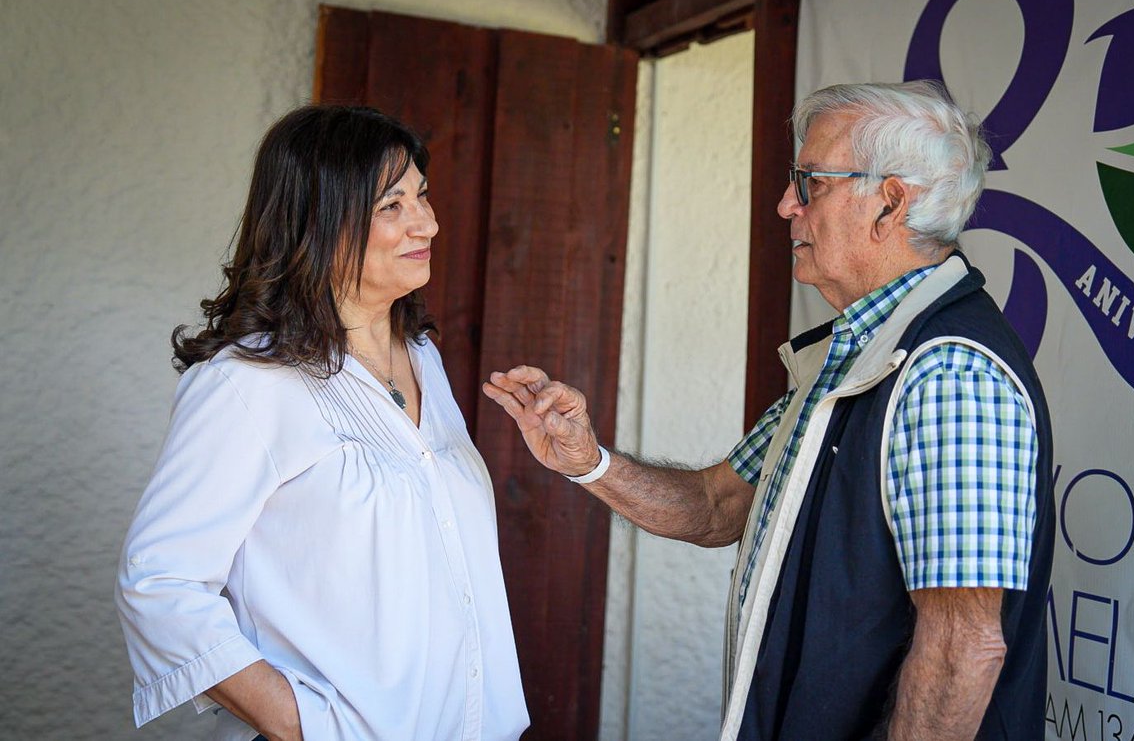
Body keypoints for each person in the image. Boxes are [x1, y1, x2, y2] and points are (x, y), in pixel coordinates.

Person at [483, 81, 1054, 740]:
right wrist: (589, 463)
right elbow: (717, 505)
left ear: (889, 204)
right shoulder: (854, 352)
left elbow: (963, 647)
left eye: (810, 183)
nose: (787, 206)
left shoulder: (950, 374)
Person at [115, 105, 529, 741]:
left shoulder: (422, 358)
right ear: (319, 220)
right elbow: (160, 583)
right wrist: (305, 724)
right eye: (392, 206)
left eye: (421, 195)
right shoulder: (247, 383)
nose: (429, 222)